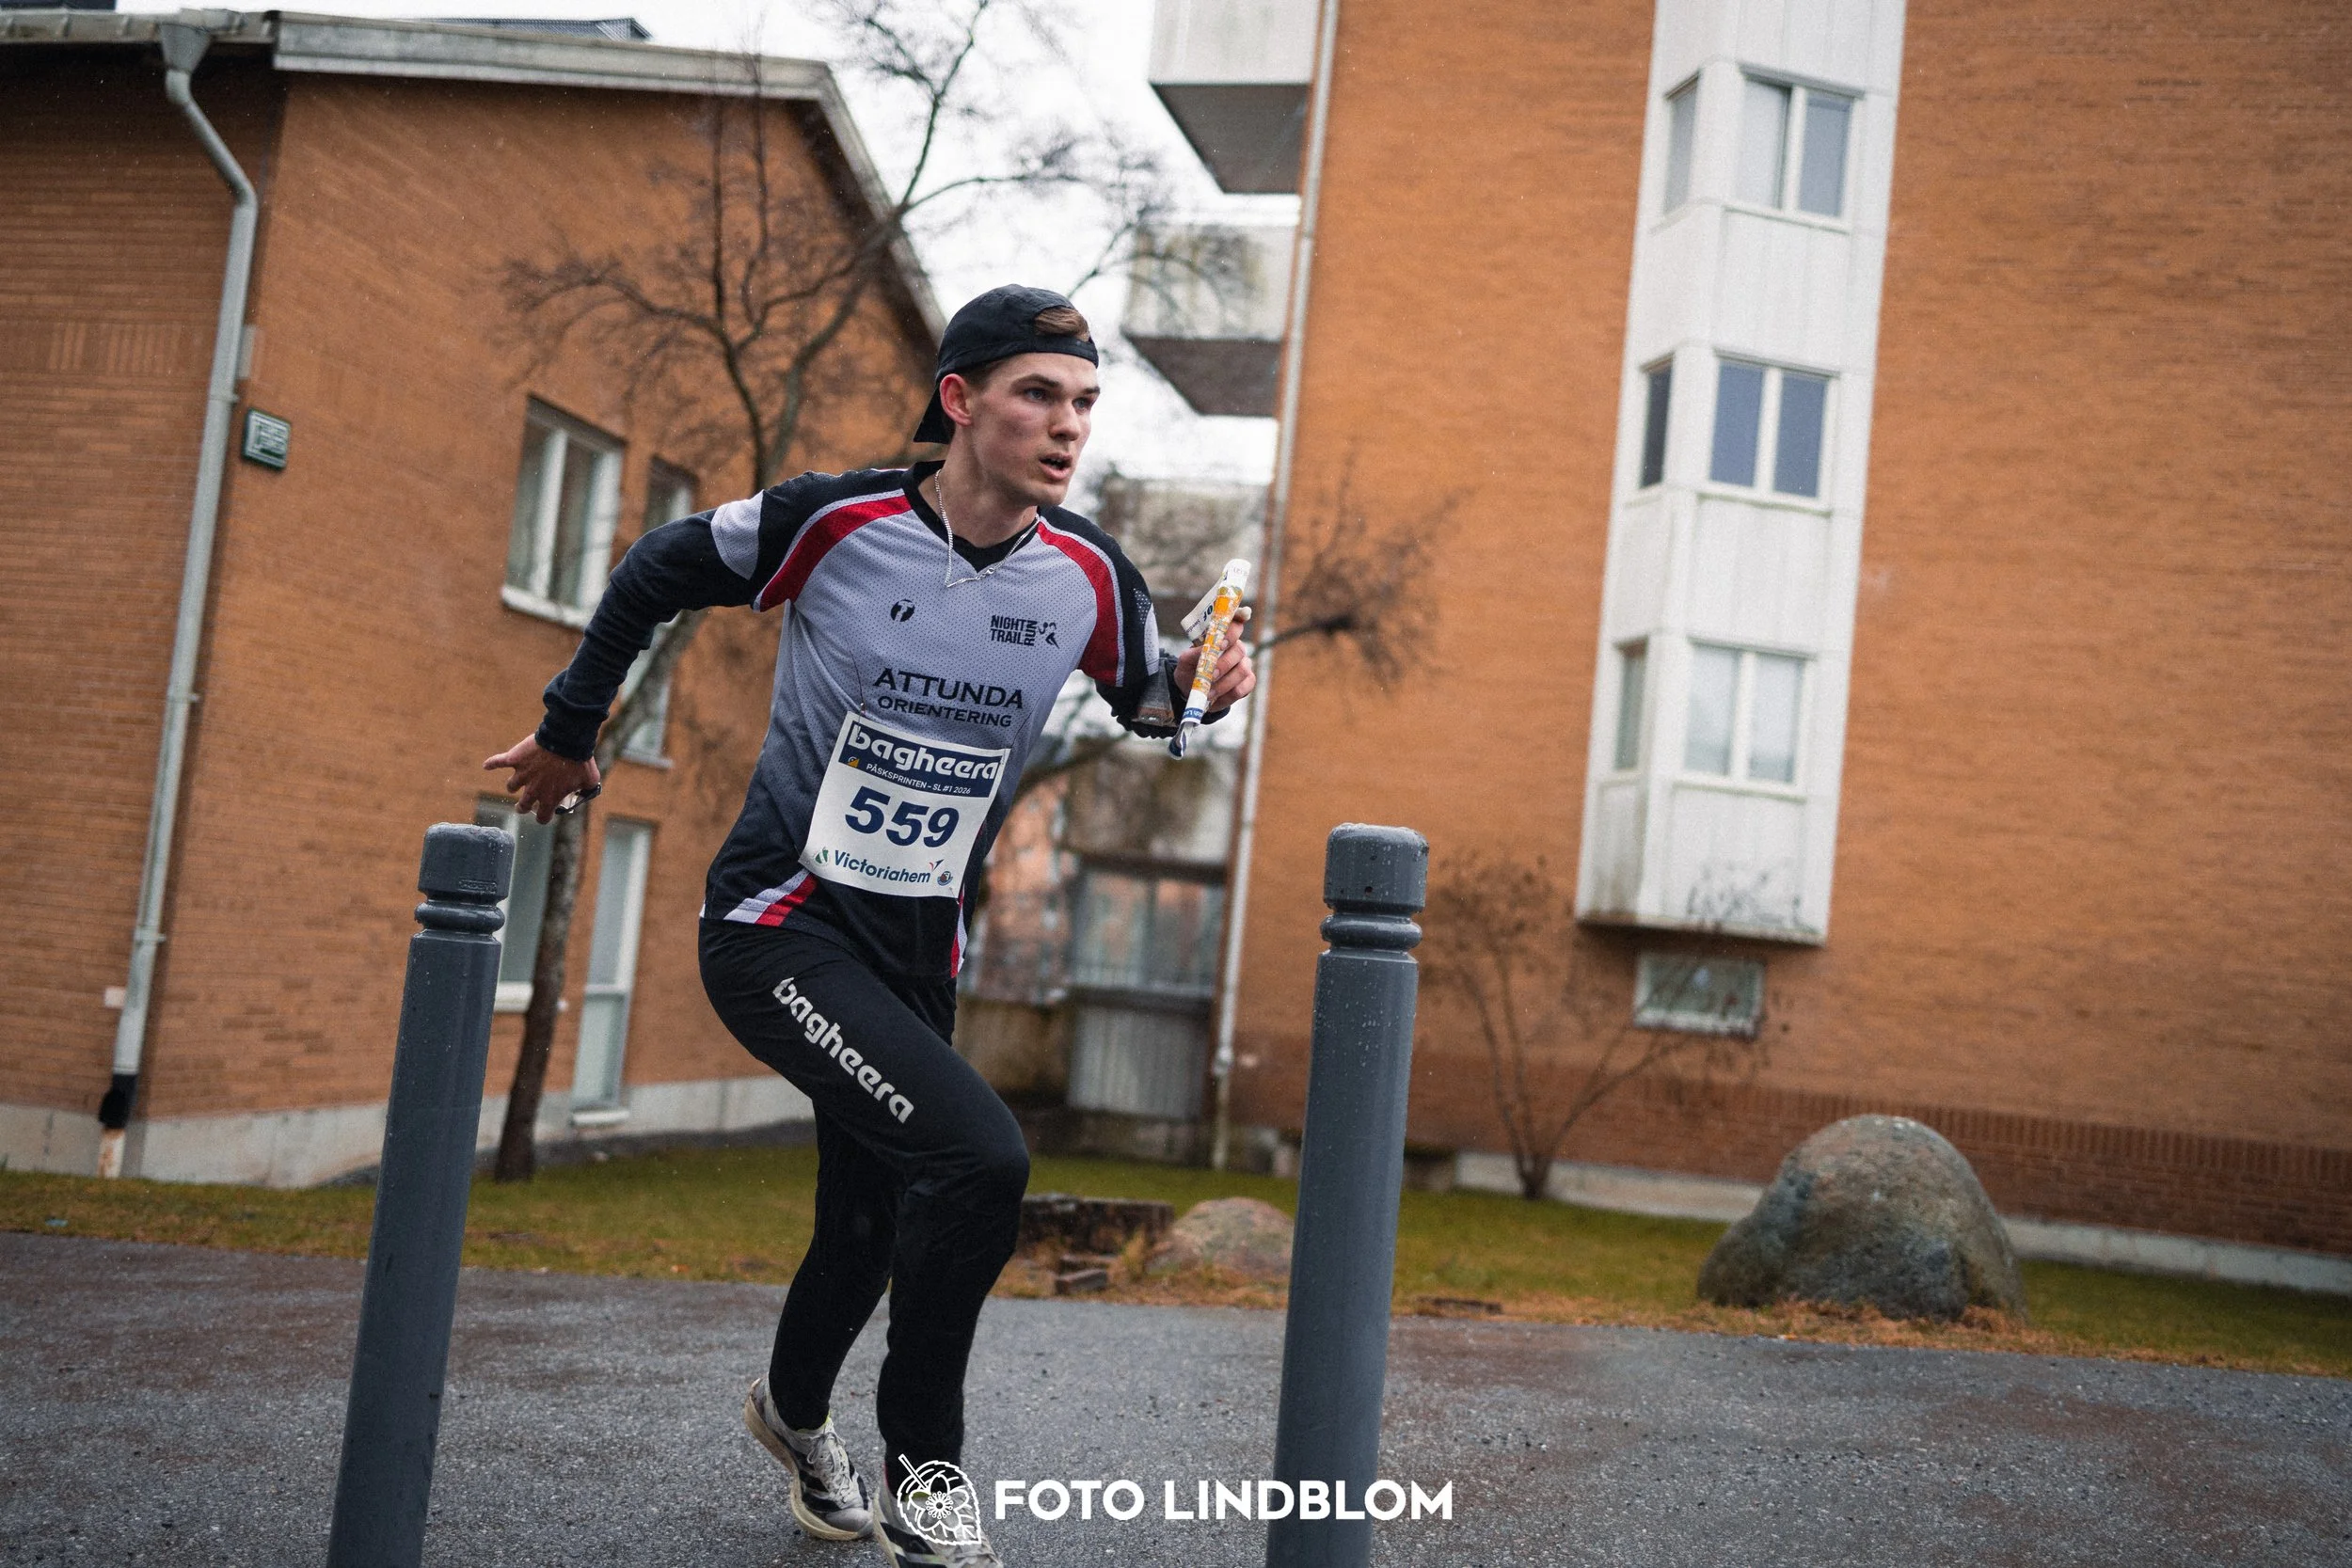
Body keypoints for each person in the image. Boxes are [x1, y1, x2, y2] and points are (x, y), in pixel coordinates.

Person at [484, 284, 1254, 1566]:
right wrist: (573, 729)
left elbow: (1147, 703)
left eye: (1084, 405)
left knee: (865, 1224)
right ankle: (928, 1470)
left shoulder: (1088, 575)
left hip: (917, 956)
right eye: (1038, 396)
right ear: (959, 400)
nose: (1068, 429)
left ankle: (791, 1412)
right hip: (778, 924)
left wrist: (1203, 694)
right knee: (982, 1159)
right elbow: (656, 567)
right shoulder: (834, 522)